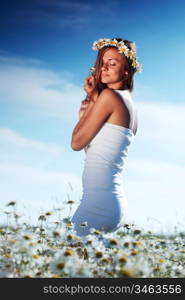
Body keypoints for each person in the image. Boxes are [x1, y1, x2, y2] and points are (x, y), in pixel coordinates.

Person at [70, 38, 141, 236]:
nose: (104, 68)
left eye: (113, 63)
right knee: (89, 265)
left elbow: (75, 143)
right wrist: (88, 109)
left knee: (62, 257)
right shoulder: (130, 105)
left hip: (98, 204)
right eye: (102, 63)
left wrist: (92, 102)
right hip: (111, 202)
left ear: (126, 69)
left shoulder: (110, 97)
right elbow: (92, 150)